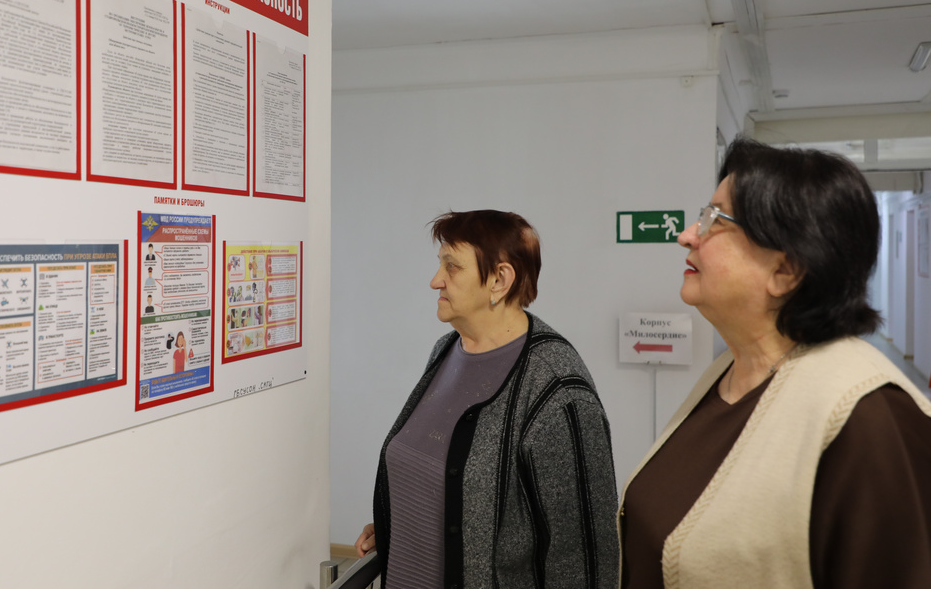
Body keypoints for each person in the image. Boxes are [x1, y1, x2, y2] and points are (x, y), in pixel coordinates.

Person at [619, 138, 931, 588]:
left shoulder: (868, 416)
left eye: (714, 219)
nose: (686, 235)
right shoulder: (731, 372)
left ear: (785, 271)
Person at [355, 209, 619, 588]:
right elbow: (452, 487)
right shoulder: (446, 351)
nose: (435, 280)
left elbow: (584, 559)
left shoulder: (557, 387)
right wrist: (403, 523)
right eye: (440, 264)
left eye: (452, 267)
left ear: (499, 280)